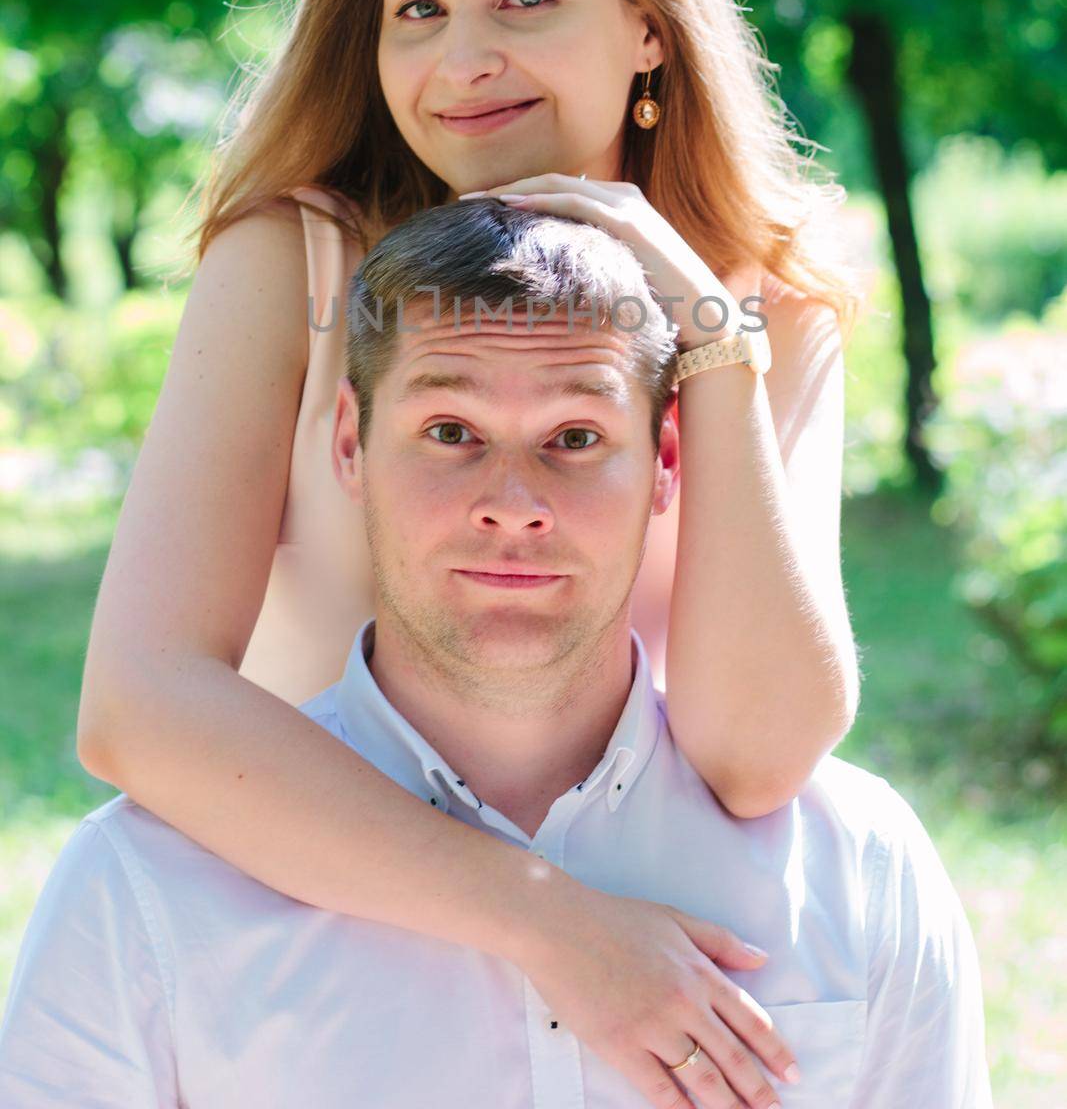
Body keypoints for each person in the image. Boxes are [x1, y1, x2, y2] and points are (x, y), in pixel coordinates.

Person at [74, 0, 865, 1092]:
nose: (457, 65)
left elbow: (756, 750)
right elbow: (139, 708)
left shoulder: (764, 306)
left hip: (674, 998)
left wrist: (709, 339)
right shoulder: (293, 263)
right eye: (417, 12)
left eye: (526, 0)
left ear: (648, 25)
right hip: (314, 976)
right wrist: (549, 925)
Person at [1, 201, 992, 1109]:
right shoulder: (143, 891)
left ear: (664, 466)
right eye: (448, 430)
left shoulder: (857, 869)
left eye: (573, 434)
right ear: (349, 443)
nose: (512, 500)